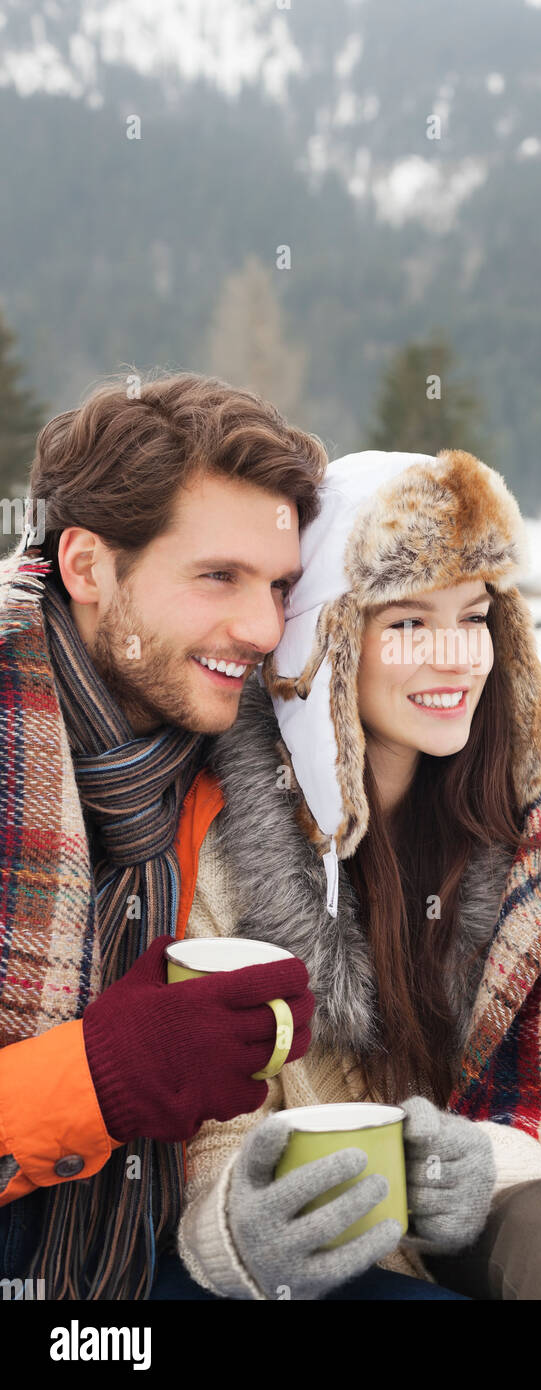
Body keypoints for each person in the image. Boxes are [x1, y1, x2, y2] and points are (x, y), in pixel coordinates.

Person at [175, 447, 541, 1300]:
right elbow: (222, 1130)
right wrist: (237, 1227)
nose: (456, 658)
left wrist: (488, 1158)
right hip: (387, 1206)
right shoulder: (230, 833)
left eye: (475, 616)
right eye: (407, 622)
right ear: (326, 637)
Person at [0, 377, 458, 1302]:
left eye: (281, 587)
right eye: (219, 577)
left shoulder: (247, 744)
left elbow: (439, 721)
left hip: (162, 1249)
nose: (259, 629)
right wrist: (101, 1072)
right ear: (88, 566)